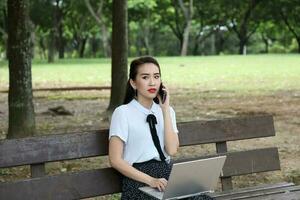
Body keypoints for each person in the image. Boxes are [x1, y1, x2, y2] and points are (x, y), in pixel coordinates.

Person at [108, 56, 214, 200]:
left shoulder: (167, 111)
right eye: (145, 77)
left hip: (167, 175)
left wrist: (164, 110)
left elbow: (171, 150)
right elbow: (115, 160)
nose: (152, 82)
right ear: (133, 83)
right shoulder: (123, 113)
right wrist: (151, 180)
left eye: (156, 77)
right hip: (138, 180)